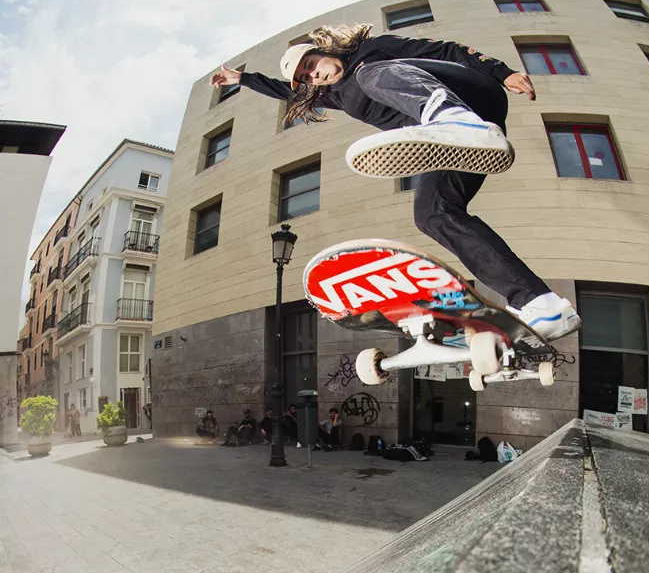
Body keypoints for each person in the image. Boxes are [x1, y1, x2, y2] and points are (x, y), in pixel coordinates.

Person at [211, 26, 581, 341]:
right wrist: (242, 79)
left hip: (470, 95)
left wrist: (501, 72)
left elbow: (444, 50)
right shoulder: (333, 95)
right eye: (308, 78)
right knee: (434, 214)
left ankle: (450, 116)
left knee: (369, 74)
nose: (315, 76)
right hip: (455, 141)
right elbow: (286, 91)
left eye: (312, 65)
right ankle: (541, 304)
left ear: (323, 50)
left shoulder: (370, 51)